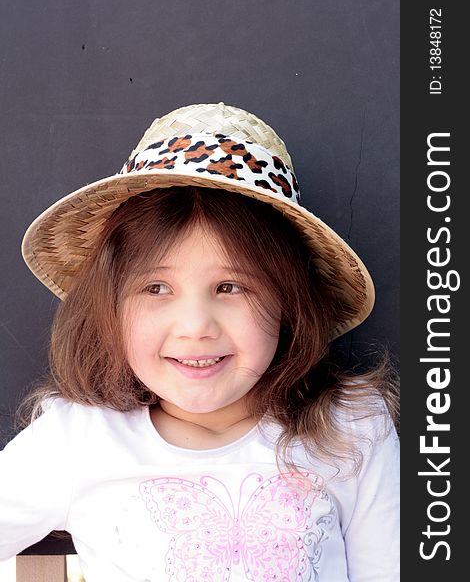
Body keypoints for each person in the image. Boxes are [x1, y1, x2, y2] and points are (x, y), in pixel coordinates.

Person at [0, 102, 399, 581]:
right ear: (109, 308)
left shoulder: (349, 428)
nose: (195, 326)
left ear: (287, 303)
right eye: (156, 288)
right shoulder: (77, 439)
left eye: (230, 288)